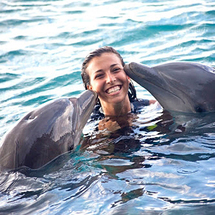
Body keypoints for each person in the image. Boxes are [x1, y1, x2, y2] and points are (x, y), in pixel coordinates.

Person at [81, 46, 156, 123]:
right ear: (90, 89)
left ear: (127, 76)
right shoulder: (87, 125)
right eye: (99, 75)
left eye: (116, 69)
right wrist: (104, 133)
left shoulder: (153, 108)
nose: (110, 80)